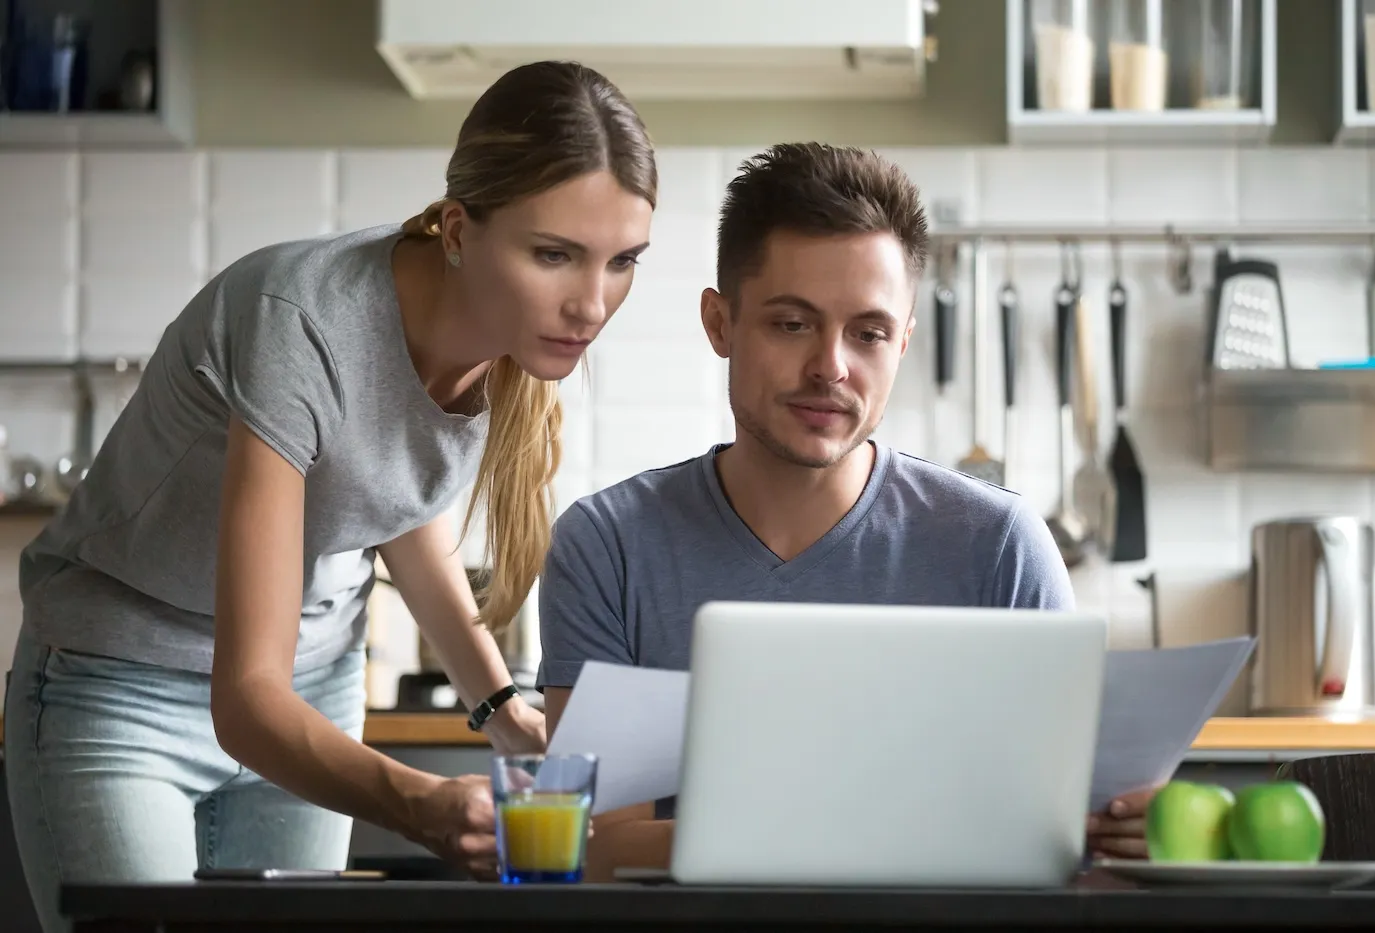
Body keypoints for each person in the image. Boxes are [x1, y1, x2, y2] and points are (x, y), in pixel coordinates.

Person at [5, 60, 656, 931]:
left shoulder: (510, 336)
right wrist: (422, 802)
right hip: (122, 684)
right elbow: (246, 700)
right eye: (555, 254)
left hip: (312, 691)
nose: (592, 303)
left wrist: (502, 709)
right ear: (460, 231)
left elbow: (392, 502)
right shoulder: (301, 321)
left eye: (623, 262)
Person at [536, 142, 1153, 882]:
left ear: (904, 342)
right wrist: (874, 834)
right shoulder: (609, 545)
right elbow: (593, 847)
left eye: (869, 333)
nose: (831, 366)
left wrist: (1124, 829)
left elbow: (1061, 846)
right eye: (792, 323)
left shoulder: (998, 547)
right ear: (721, 322)